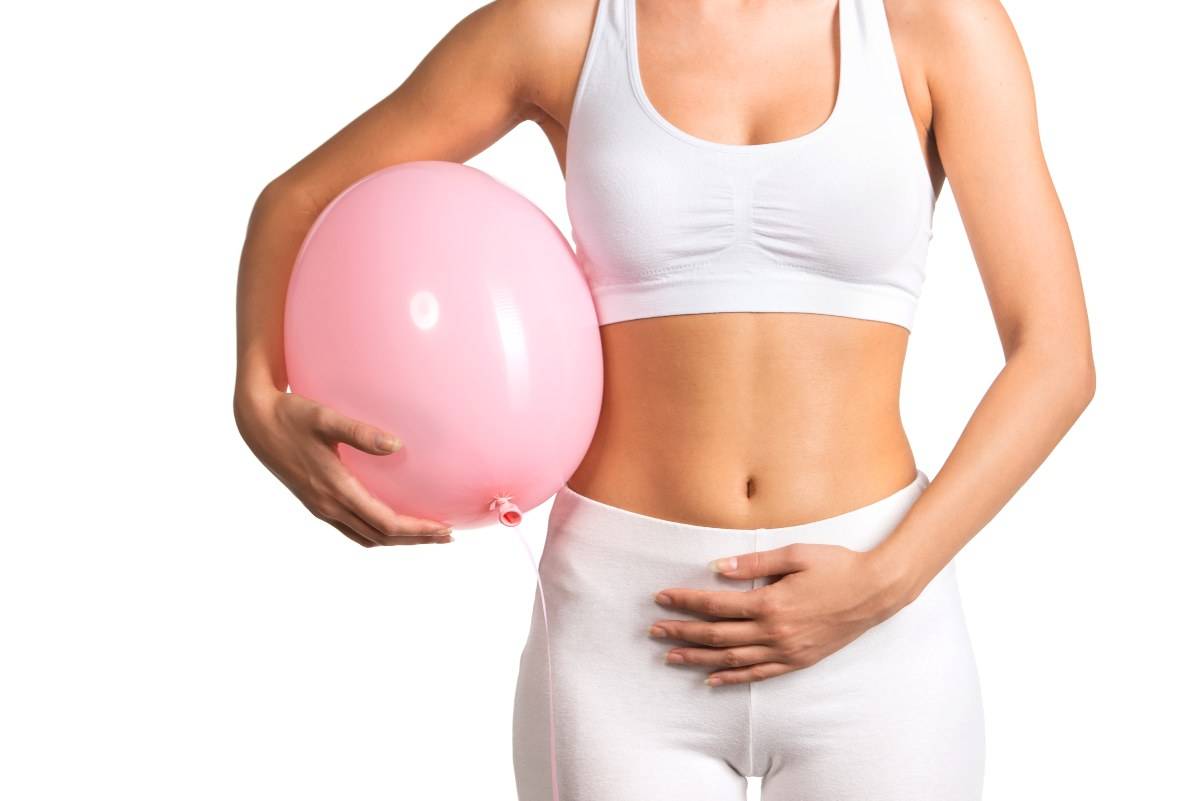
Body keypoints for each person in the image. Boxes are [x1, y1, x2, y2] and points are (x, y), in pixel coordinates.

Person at [233, 0, 1095, 798]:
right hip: (623, 629)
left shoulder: (935, 25)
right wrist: (257, 403)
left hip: (878, 627)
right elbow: (297, 200)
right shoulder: (564, 27)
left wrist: (883, 582)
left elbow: (1055, 355)